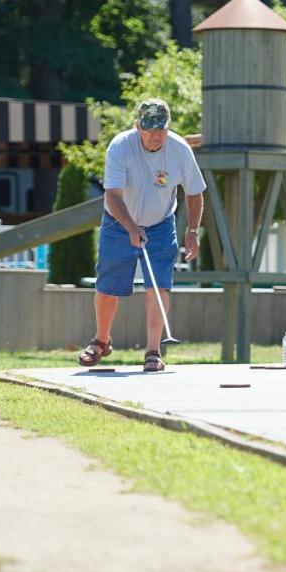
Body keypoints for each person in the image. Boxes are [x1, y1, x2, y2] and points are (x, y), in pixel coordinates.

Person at [78, 99, 206, 373]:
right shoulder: (120, 147)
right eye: (149, 129)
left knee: (158, 287)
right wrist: (131, 228)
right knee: (108, 287)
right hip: (118, 222)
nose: (155, 135)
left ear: (168, 128)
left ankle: (153, 351)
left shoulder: (180, 150)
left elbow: (194, 192)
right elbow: (112, 195)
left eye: (160, 129)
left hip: (161, 224)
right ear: (137, 127)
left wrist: (192, 230)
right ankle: (101, 341)